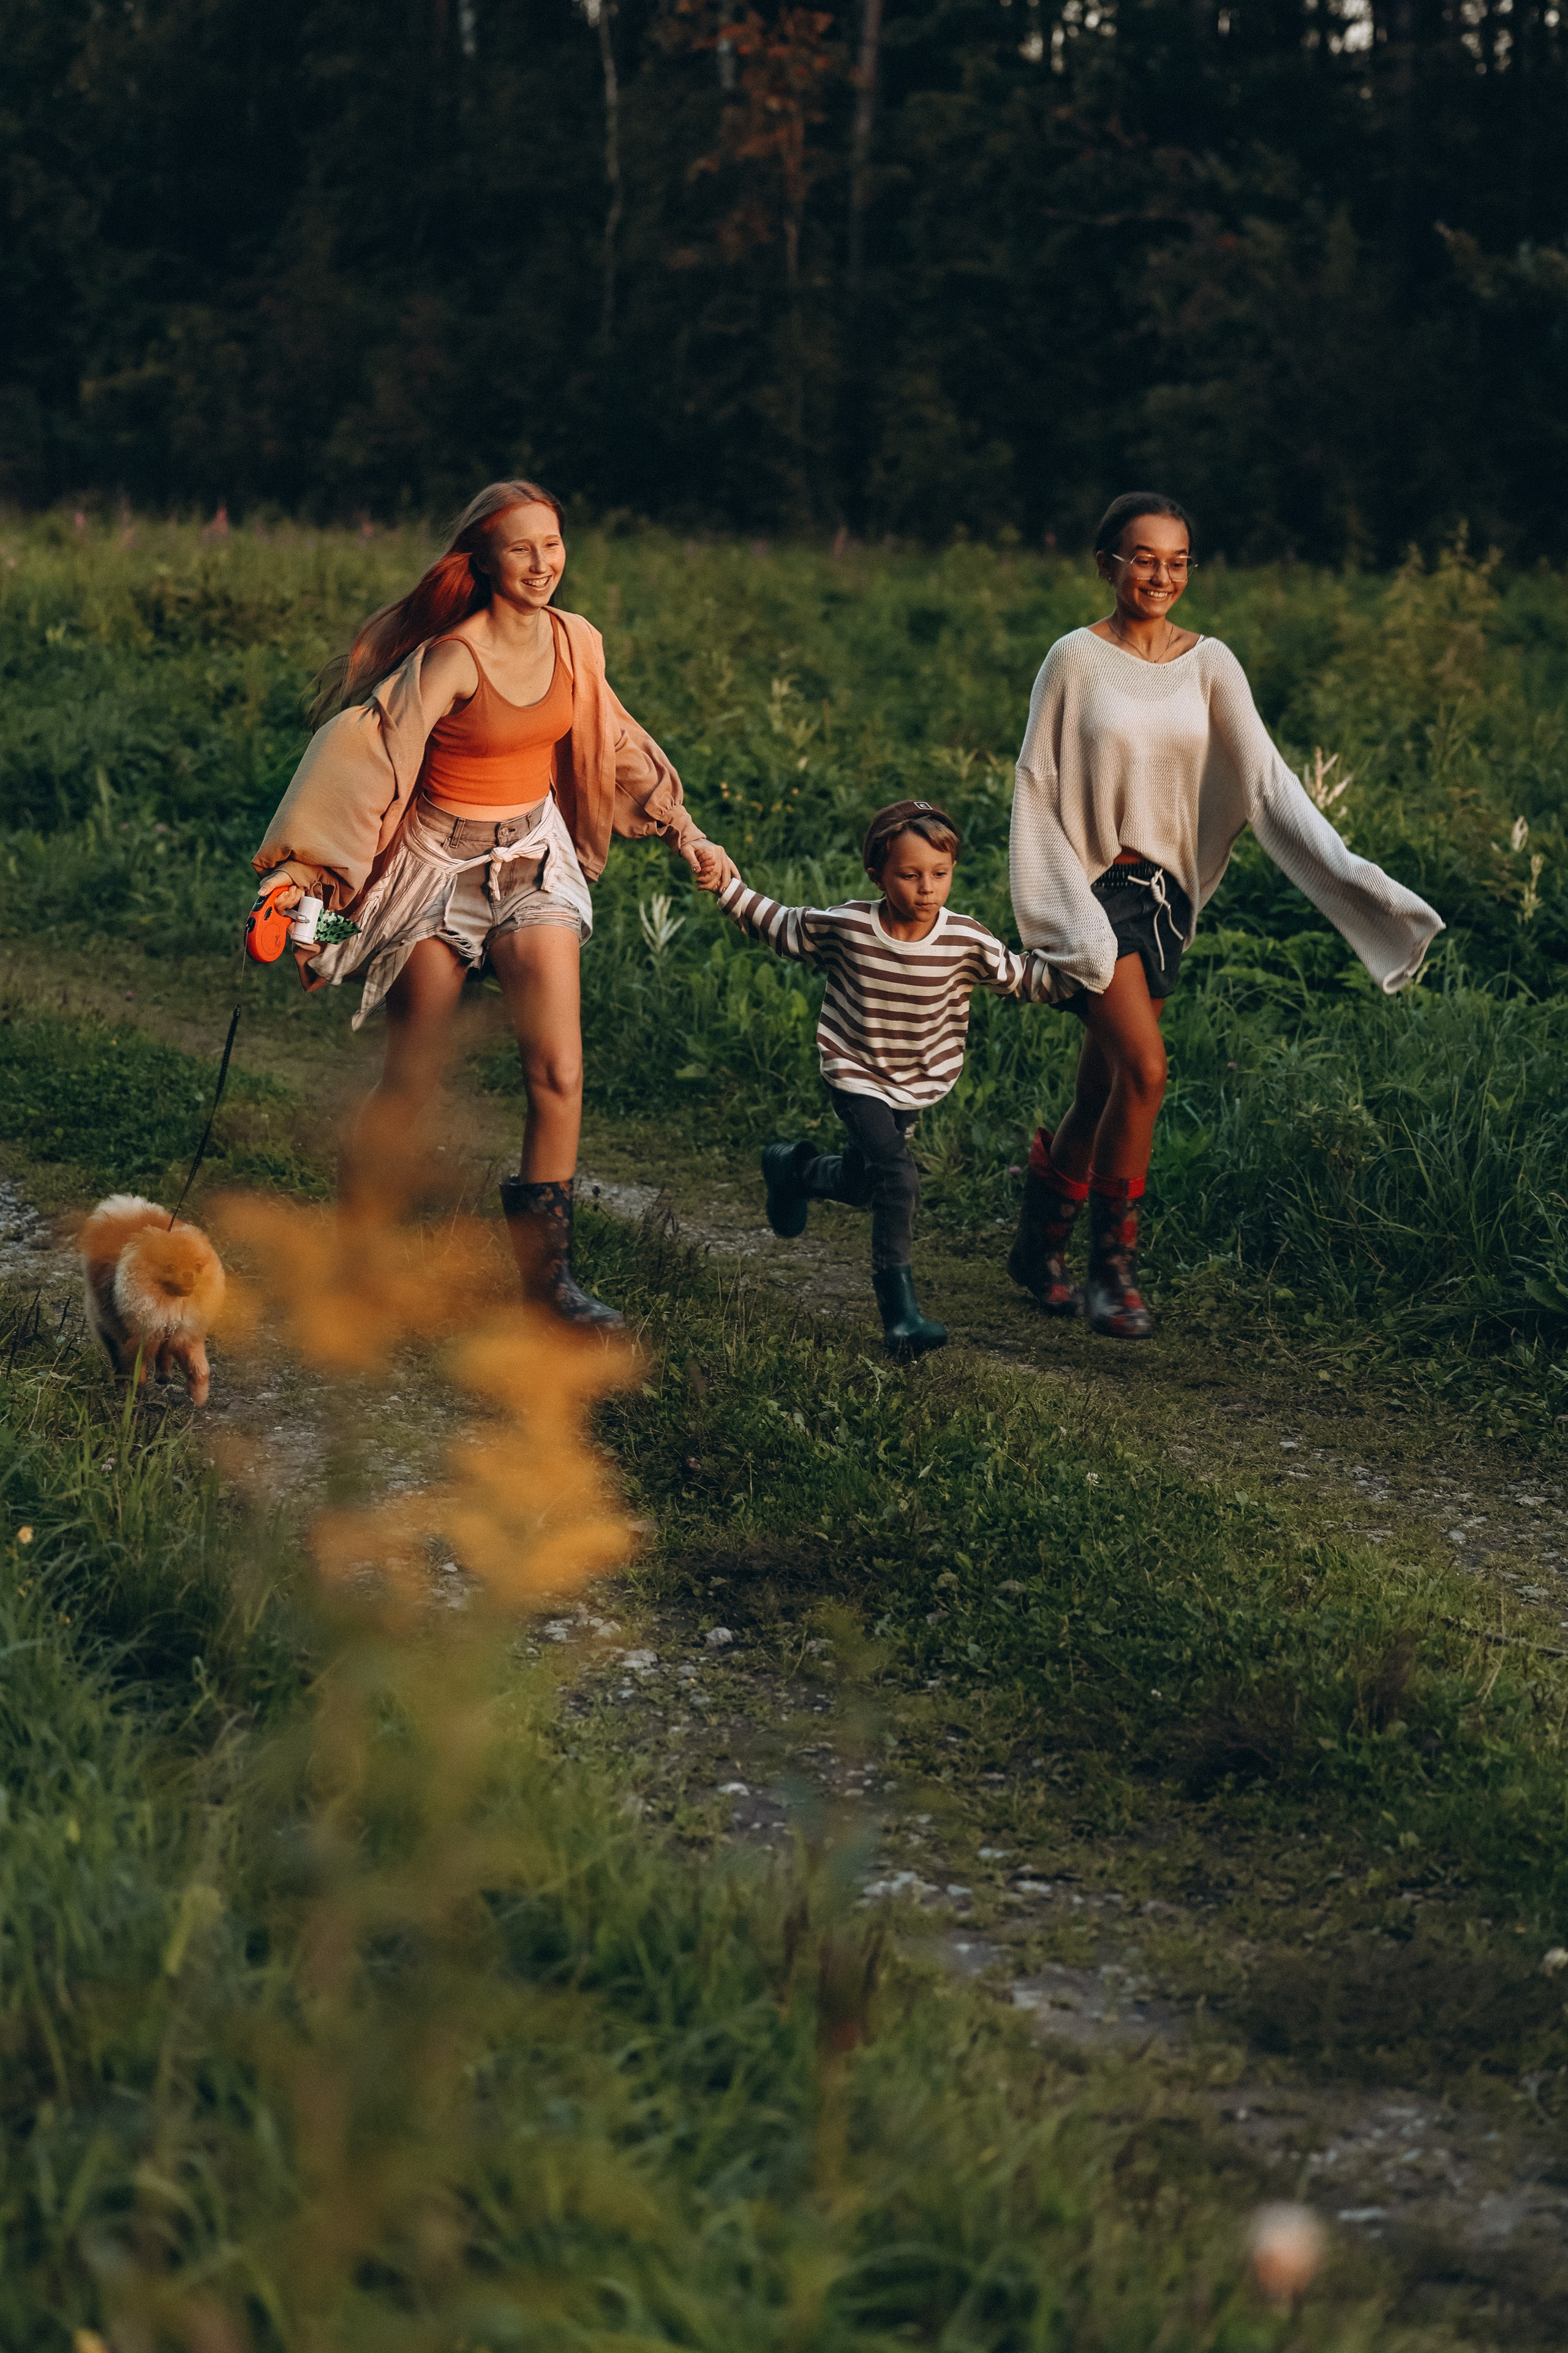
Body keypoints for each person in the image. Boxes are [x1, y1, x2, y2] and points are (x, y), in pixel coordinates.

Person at [246, 480, 733, 1327]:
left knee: (560, 1069)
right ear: (484, 559)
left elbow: (612, 737)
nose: (542, 564)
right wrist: (303, 877)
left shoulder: (576, 641)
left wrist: (683, 829)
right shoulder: (453, 659)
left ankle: (549, 1287)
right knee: (414, 1075)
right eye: (521, 549)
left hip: (534, 859)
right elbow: (366, 758)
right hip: (437, 870)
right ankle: (357, 1252)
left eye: (553, 544)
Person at [1007, 490, 1443, 1340]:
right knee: (1146, 1071)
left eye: (1177, 561)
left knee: (1102, 1085)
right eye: (1143, 558)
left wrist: (1357, 880)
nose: (1161, 575)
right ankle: (1112, 1274)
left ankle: (1036, 1246)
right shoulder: (1073, 659)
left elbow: (1267, 780)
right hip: (1093, 890)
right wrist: (1058, 905)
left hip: (1164, 899)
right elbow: (1036, 784)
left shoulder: (1210, 664)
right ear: (1107, 564)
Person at [699, 799, 1058, 1358]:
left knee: (864, 1185)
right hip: (854, 1071)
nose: (927, 888)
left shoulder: (965, 940)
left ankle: (795, 1171)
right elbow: (781, 925)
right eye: (910, 875)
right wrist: (727, 886)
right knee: (898, 1178)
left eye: (940, 873)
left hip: (915, 1081)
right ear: (878, 875)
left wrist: (1093, 973)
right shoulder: (849, 928)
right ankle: (900, 1318)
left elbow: (1023, 978)